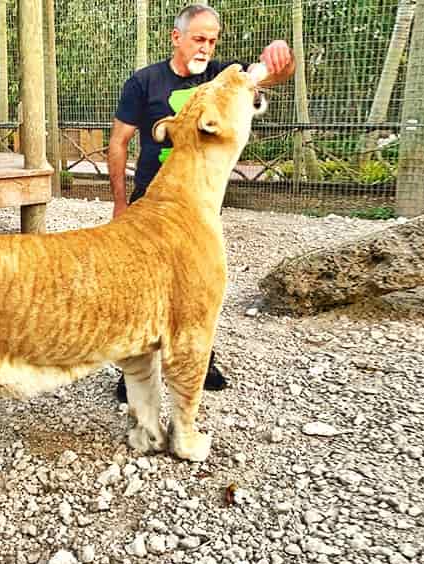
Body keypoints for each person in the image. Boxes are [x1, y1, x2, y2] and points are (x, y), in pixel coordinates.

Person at [108, 3, 295, 402]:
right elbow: (118, 143)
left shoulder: (218, 76)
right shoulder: (143, 82)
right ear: (176, 38)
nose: (206, 48)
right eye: (198, 39)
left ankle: (198, 361)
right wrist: (120, 204)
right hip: (150, 199)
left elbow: (270, 73)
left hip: (197, 202)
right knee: (139, 287)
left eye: (212, 41)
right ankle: (134, 371)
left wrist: (280, 53)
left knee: (196, 285)